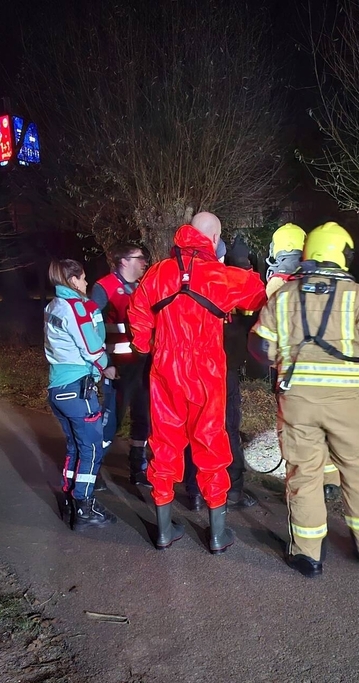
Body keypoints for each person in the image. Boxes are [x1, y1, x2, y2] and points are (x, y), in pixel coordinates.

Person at [249, 221, 359, 578]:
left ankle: (307, 555)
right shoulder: (357, 296)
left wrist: (284, 357)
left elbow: (259, 346)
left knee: (303, 474)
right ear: (341, 254)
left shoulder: (284, 297)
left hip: (298, 402)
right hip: (346, 405)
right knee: (357, 468)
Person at [129, 213, 267, 552]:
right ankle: (217, 535)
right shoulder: (220, 275)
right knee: (211, 444)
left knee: (164, 443)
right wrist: (244, 266)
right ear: (216, 236)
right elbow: (259, 295)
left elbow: (138, 311)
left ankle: (163, 532)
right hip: (206, 371)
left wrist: (146, 346)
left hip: (165, 368)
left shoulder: (159, 272)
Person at [264, 222, 343, 502]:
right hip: (327, 368)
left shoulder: (276, 284)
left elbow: (267, 329)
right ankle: (330, 479)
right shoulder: (321, 277)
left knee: (294, 431)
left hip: (291, 373)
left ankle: (298, 487)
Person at [183, 236, 258, 511]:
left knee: (195, 427)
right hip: (221, 368)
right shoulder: (225, 279)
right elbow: (254, 300)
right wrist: (243, 266)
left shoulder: (183, 275)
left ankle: (196, 491)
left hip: (191, 367)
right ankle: (232, 489)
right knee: (226, 428)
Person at [44, 259, 118, 529]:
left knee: (75, 447)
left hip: (58, 388)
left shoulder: (53, 305)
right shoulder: (76, 307)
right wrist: (105, 367)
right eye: (84, 278)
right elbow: (91, 347)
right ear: (73, 280)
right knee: (92, 449)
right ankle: (84, 507)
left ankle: (69, 501)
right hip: (78, 389)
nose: (87, 283)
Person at [91, 243, 152, 487]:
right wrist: (104, 363)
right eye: (139, 258)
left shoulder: (144, 286)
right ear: (124, 261)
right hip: (117, 367)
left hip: (143, 364)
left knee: (143, 417)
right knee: (111, 420)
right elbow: (92, 329)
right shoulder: (103, 287)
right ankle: (92, 470)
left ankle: (138, 468)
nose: (144, 263)